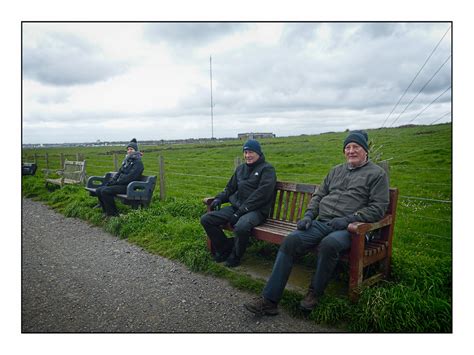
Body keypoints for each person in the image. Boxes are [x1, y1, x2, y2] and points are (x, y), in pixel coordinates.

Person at [244, 130, 389, 316]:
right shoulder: (336, 171)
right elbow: (319, 195)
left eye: (356, 147)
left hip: (353, 228)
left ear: (365, 151)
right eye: (348, 147)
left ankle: (314, 293)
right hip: (323, 222)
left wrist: (347, 220)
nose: (351, 151)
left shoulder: (377, 174)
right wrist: (308, 216)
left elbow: (378, 208)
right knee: (291, 240)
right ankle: (269, 300)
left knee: (329, 244)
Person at [200, 139, 277, 267]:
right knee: (206, 219)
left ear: (258, 153)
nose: (247, 155)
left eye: (251, 152)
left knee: (241, 227)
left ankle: (236, 256)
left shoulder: (267, 170)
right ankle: (225, 248)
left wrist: (240, 212)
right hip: (237, 207)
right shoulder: (241, 169)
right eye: (245, 152)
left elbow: (261, 195)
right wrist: (219, 198)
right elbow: (230, 188)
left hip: (256, 211)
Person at [95, 138, 144, 217]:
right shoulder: (127, 161)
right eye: (128, 149)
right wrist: (112, 182)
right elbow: (119, 173)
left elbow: (130, 177)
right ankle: (106, 212)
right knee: (99, 190)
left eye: (131, 149)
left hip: (129, 186)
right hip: (121, 184)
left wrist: (117, 182)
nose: (129, 151)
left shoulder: (138, 163)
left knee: (105, 191)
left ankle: (113, 214)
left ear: (136, 150)